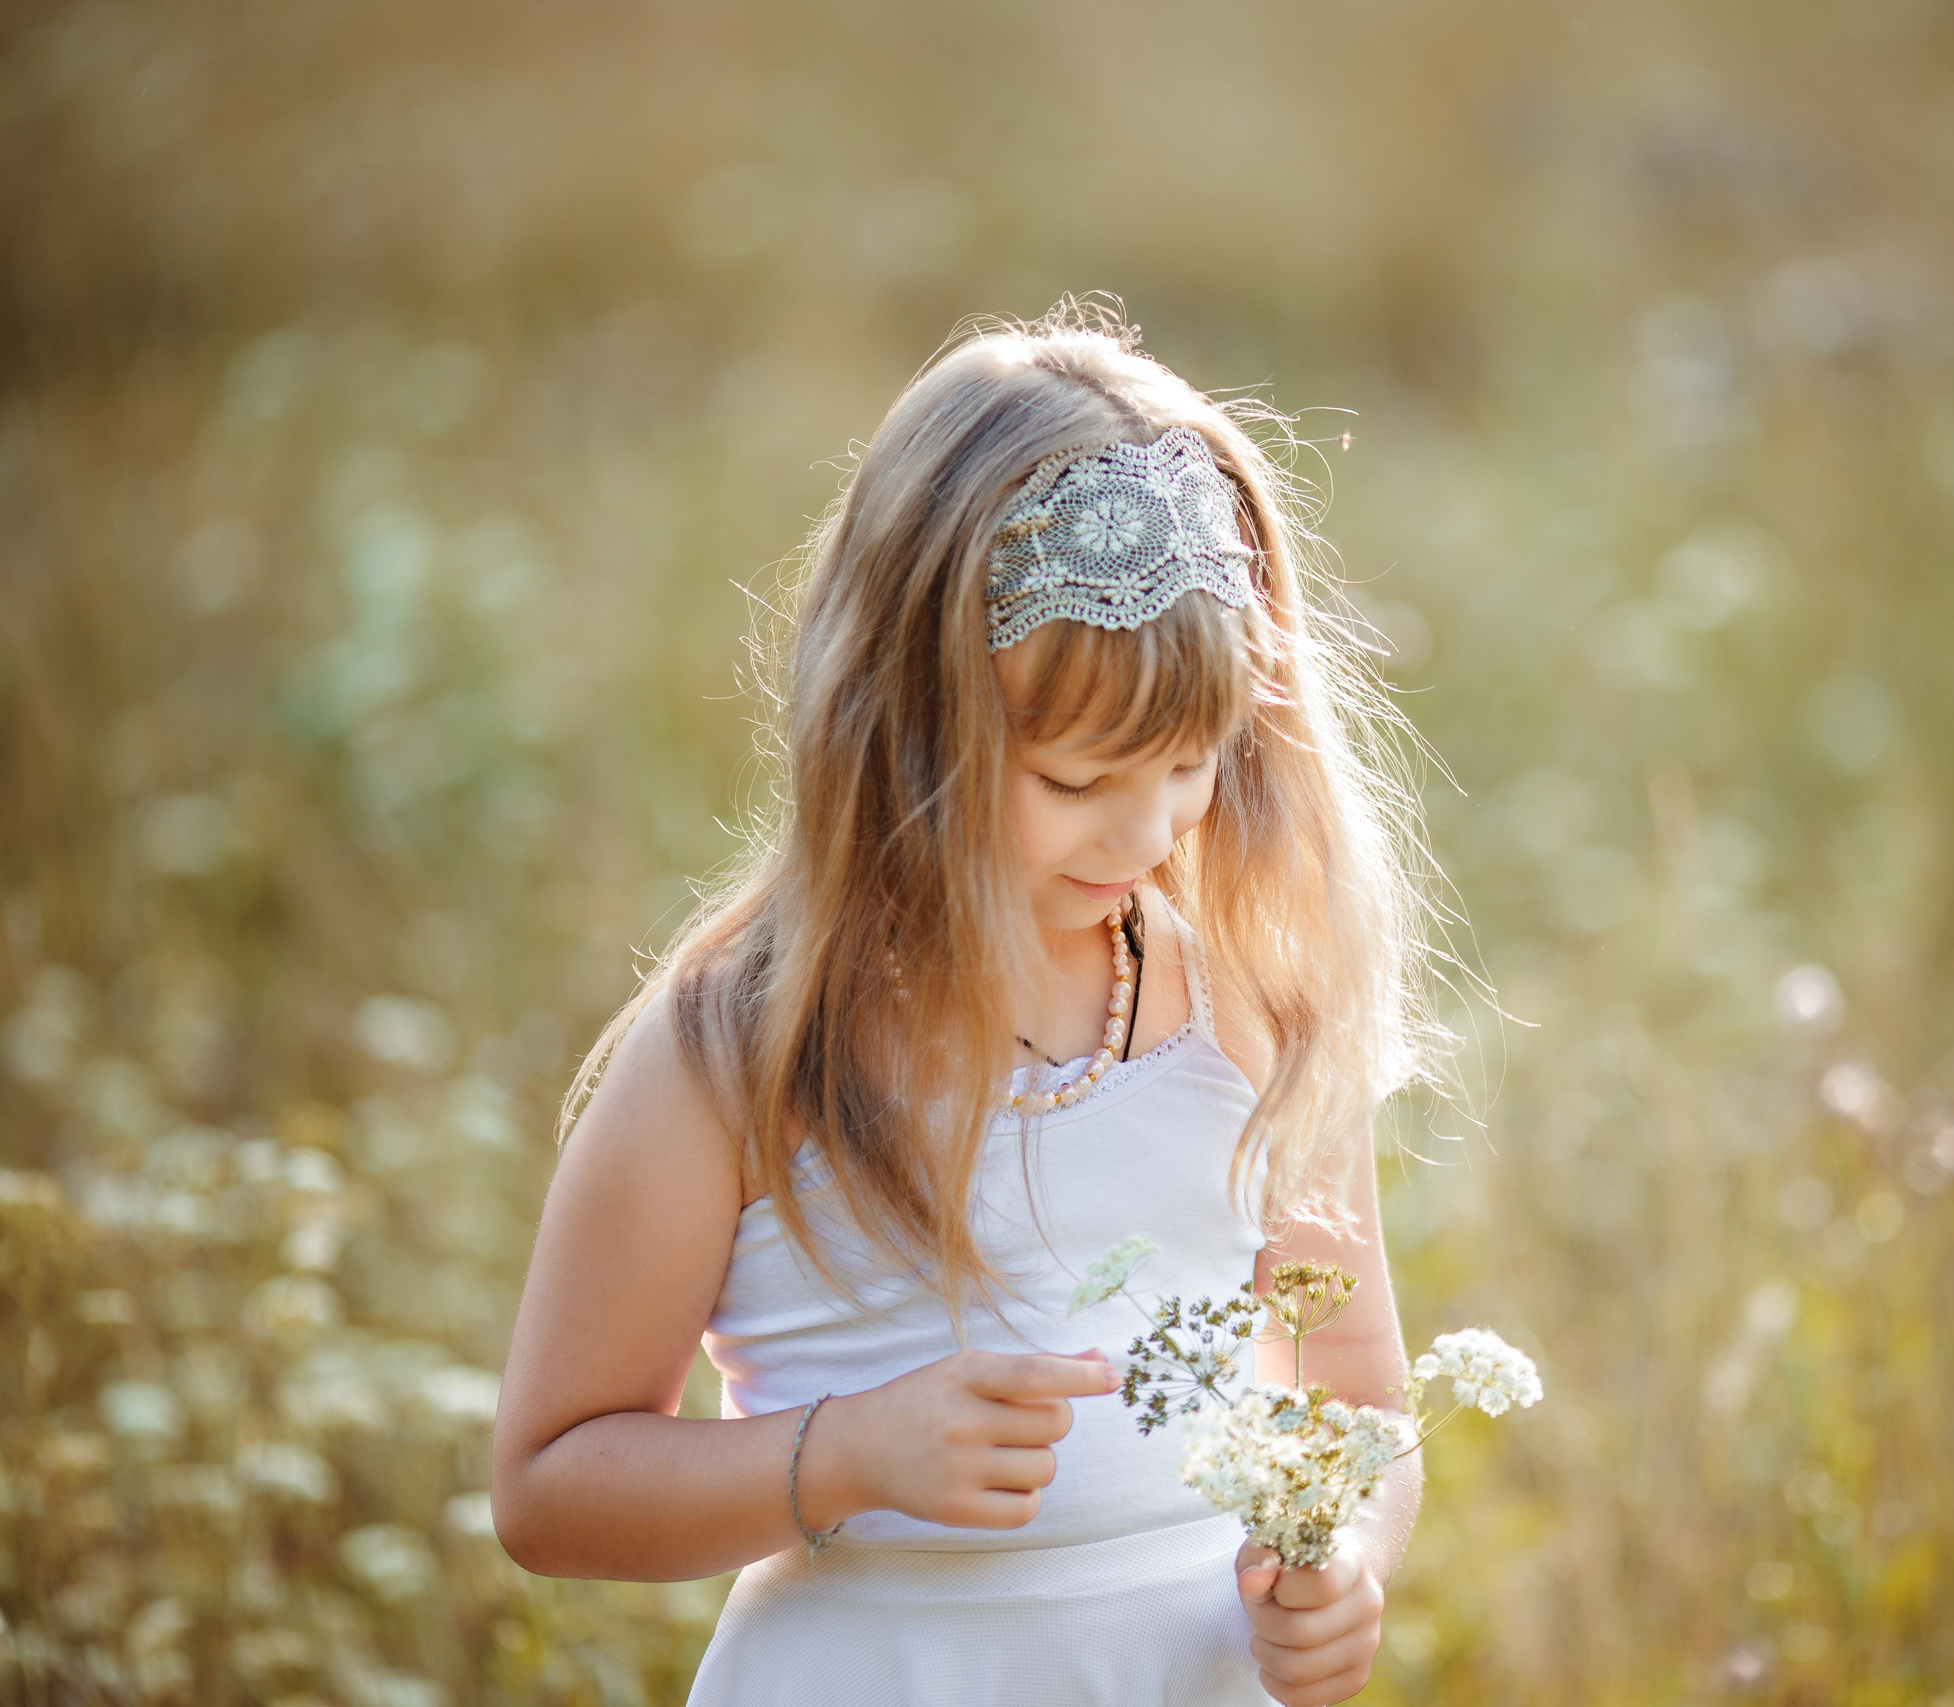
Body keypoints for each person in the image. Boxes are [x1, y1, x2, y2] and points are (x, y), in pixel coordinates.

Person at [489, 303, 1443, 1706]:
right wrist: (845, 1455)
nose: (1145, 834)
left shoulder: (1251, 1008)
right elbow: (548, 1487)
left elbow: (1359, 1396)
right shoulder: (743, 1048)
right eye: (1075, 780)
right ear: (901, 722)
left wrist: (1347, 1553)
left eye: (1192, 763)